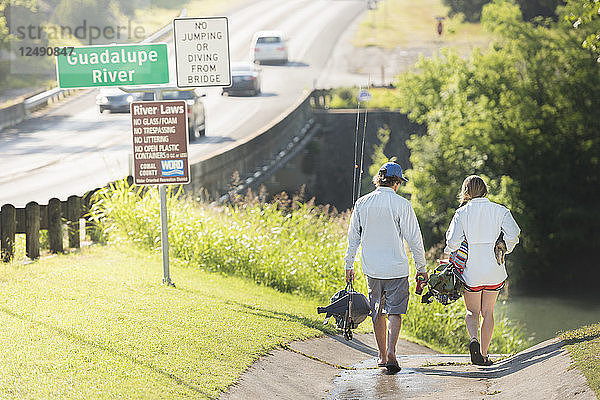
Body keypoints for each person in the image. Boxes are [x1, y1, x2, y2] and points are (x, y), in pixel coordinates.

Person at [344, 161, 428, 374]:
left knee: (377, 311)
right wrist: (421, 268)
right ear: (397, 183)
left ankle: (381, 355)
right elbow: (415, 240)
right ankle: (392, 352)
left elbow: (353, 237)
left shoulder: (362, 203)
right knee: (395, 311)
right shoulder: (402, 205)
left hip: (372, 269)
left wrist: (348, 264)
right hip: (397, 269)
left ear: (378, 180)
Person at [444, 175, 520, 366]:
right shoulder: (500, 210)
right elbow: (514, 233)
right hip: (494, 269)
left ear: (466, 192)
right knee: (488, 312)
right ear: (485, 190)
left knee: (472, 311)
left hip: (471, 272)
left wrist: (454, 250)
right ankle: (484, 355)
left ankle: (473, 341)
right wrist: (504, 245)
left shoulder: (461, 213)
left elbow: (452, 242)